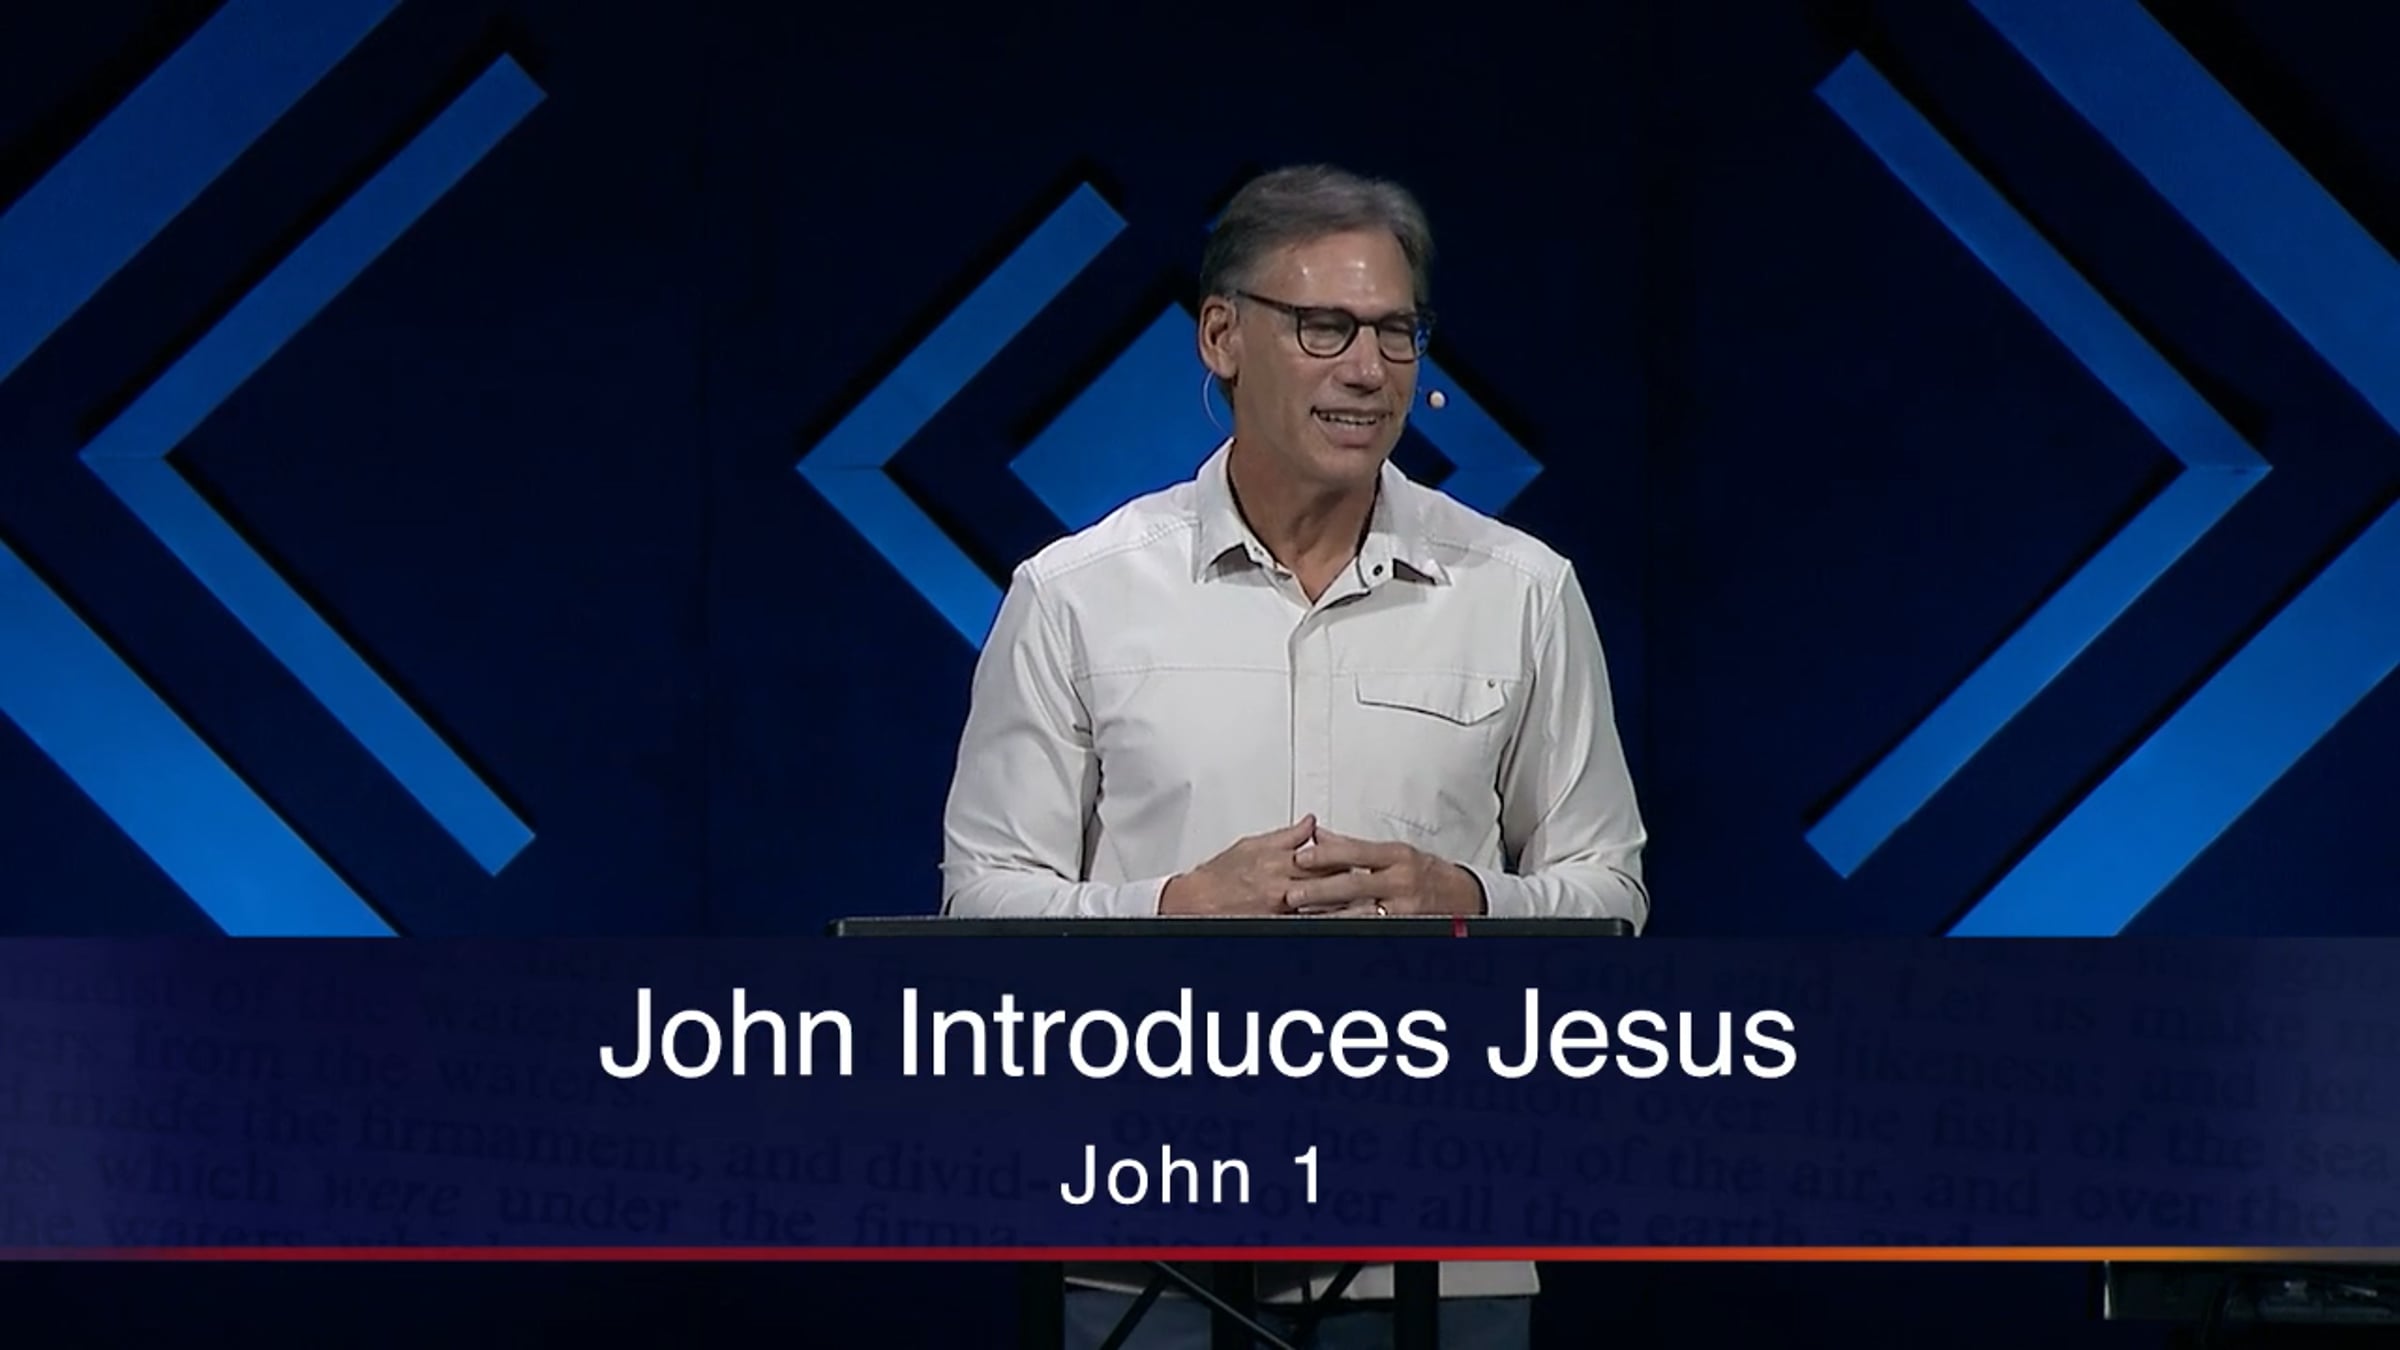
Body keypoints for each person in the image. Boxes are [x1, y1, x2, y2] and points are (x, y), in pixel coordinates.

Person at [938, 164, 1649, 1349]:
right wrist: (1173, 909)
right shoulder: (1075, 598)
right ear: (1221, 336)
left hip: (1441, 1239)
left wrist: (1469, 900)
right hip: (1145, 1241)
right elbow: (982, 910)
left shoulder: (1521, 593)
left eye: (1395, 332)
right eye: (1325, 327)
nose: (1368, 370)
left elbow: (1610, 897)